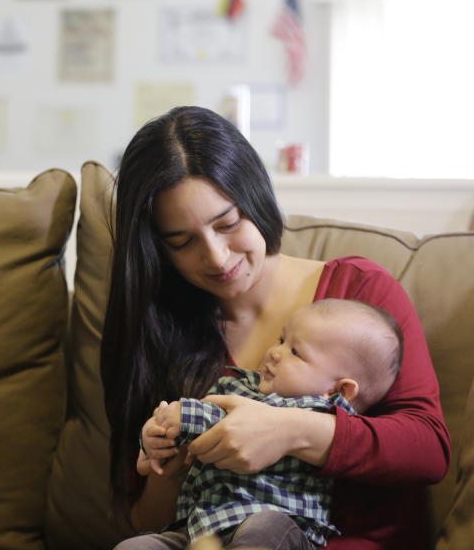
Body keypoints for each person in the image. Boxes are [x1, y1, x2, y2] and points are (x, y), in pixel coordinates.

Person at [100, 106, 450, 549]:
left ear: (255, 197)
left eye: (227, 224)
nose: (216, 257)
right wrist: (170, 466)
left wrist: (291, 430)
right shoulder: (157, 331)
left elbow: (428, 449)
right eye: (182, 242)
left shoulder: (358, 293)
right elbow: (142, 518)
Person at [118, 298, 404, 549]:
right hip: (198, 529)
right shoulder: (234, 384)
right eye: (281, 340)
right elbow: (188, 430)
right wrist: (156, 435)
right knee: (136, 545)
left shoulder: (319, 410)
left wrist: (184, 416)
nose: (274, 352)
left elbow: (218, 420)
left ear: (338, 390)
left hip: (275, 526)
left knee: (266, 528)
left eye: (296, 353)